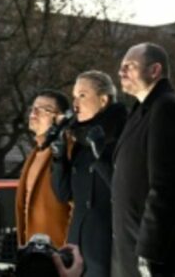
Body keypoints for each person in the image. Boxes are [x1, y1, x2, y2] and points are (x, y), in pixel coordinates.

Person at [112, 43, 175, 277]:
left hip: (154, 260)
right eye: (121, 67)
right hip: (130, 253)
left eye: (130, 66)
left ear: (154, 70)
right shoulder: (141, 111)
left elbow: (168, 185)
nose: (121, 72)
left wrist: (150, 252)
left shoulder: (168, 108)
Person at [50, 71, 127, 277]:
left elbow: (124, 191)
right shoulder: (80, 139)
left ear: (103, 100)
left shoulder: (123, 135)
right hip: (78, 248)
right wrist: (59, 158)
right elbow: (63, 194)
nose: (75, 103)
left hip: (109, 248)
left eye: (82, 95)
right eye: (74, 96)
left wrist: (101, 152)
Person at [15, 89, 73, 248]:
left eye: (44, 109)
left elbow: (77, 206)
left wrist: (68, 250)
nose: (34, 112)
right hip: (33, 254)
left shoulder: (68, 150)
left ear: (60, 118)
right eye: (33, 108)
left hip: (59, 255)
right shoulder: (34, 154)